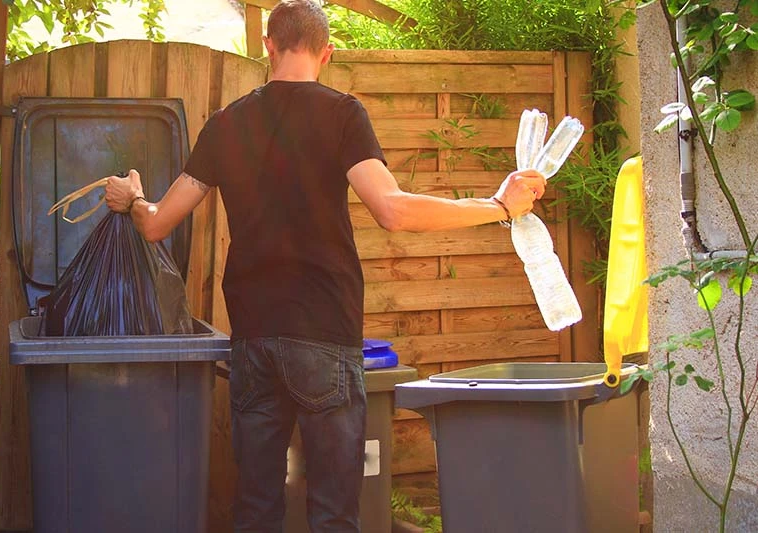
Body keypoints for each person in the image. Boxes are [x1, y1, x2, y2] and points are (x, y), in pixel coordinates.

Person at [105, 2, 545, 531]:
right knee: (334, 513)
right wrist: (497, 207)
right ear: (327, 52)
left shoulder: (224, 124)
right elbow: (393, 210)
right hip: (323, 335)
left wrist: (132, 198)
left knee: (255, 508)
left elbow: (155, 225)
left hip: (253, 339)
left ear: (267, 45)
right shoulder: (341, 113)